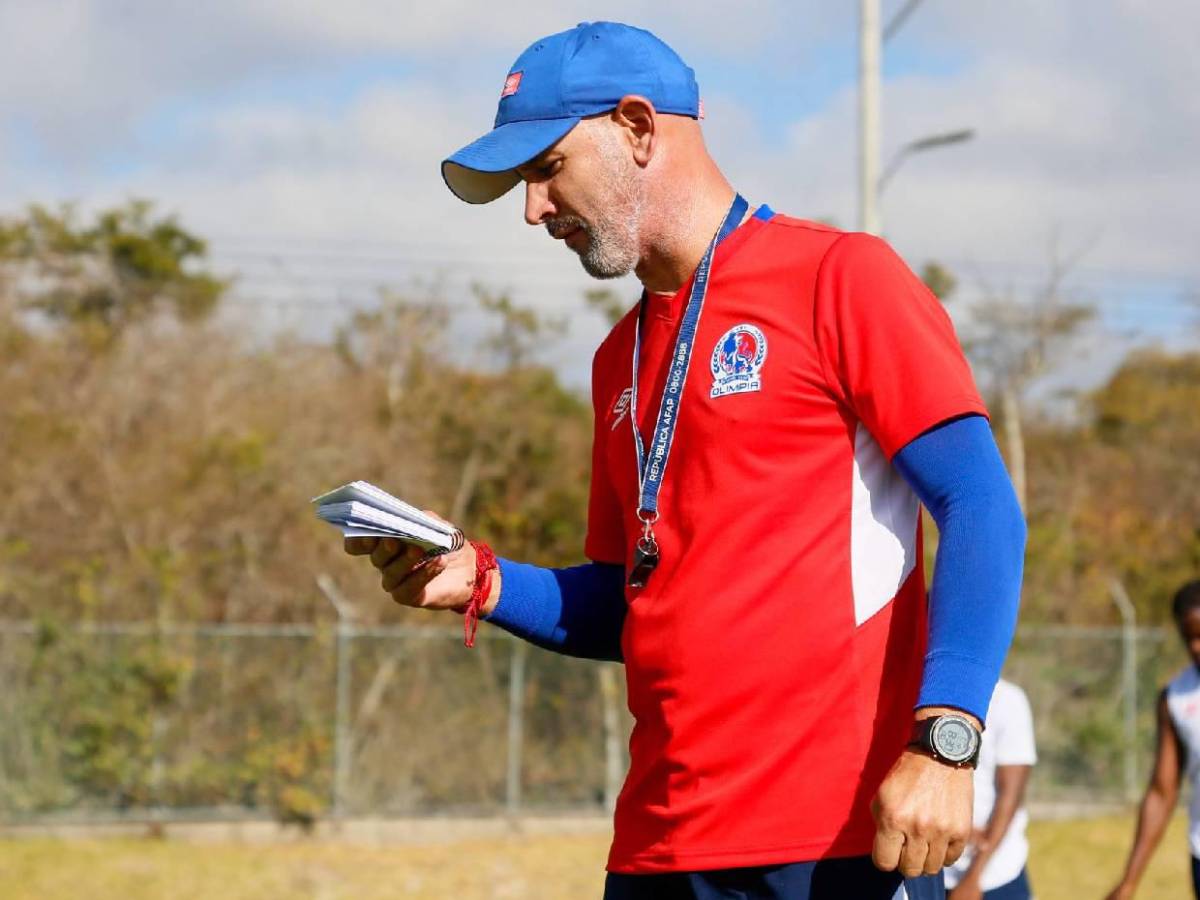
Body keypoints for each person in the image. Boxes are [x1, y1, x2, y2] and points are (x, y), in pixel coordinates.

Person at [346, 22, 1026, 900]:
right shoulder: (615, 359)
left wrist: (947, 739)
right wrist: (480, 579)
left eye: (547, 168)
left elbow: (981, 507)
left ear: (637, 125)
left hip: (832, 846)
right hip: (656, 851)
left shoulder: (840, 277)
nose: (533, 209)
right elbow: (633, 599)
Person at [1106, 579, 1200, 900]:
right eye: (1190, 637)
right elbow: (1162, 793)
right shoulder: (1175, 699)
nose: (1198, 646)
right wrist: (1130, 880)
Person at [943, 679, 1037, 900]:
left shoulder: (1007, 700)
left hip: (992, 875)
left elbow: (1010, 796)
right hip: (931, 868)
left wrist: (974, 876)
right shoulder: (928, 694)